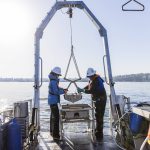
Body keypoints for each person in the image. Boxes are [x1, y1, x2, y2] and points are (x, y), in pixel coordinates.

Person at [77, 68, 107, 141]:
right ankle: (97, 130)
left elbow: (92, 90)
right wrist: (82, 89)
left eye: (90, 76)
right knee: (97, 115)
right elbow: (89, 86)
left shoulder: (97, 81)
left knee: (100, 116)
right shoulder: (94, 79)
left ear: (93, 74)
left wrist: (83, 90)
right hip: (98, 100)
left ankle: (99, 134)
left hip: (101, 100)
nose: (89, 77)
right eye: (88, 76)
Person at [48, 66, 67, 142]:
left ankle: (52, 132)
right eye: (58, 75)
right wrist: (64, 92)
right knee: (56, 118)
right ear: (55, 74)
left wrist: (63, 89)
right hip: (54, 101)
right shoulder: (53, 81)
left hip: (52, 101)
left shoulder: (53, 80)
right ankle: (56, 135)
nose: (58, 76)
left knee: (52, 117)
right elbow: (56, 92)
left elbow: (56, 89)